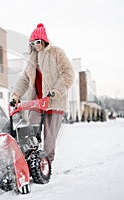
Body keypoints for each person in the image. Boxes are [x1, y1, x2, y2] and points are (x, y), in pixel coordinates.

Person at [11, 23, 74, 162]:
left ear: (44, 41)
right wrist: (16, 95)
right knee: (32, 130)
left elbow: (68, 73)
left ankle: (47, 163)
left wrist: (57, 90)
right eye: (32, 43)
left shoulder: (57, 53)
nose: (36, 45)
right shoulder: (32, 59)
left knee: (49, 137)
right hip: (37, 101)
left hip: (54, 101)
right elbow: (25, 79)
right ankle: (32, 159)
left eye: (38, 42)